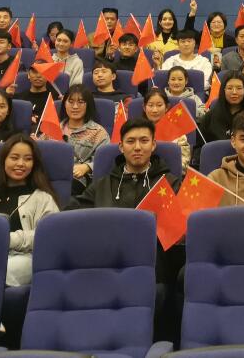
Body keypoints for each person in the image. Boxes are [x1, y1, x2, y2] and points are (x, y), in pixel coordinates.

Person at [65, 117, 182, 282]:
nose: (137, 147)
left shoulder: (169, 184)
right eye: (130, 141)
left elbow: (179, 233)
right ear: (121, 147)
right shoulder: (103, 185)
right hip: (106, 267)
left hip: (153, 272)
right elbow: (71, 214)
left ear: (153, 145)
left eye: (144, 141)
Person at [0, 134, 60, 286]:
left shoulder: (43, 198)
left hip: (24, 258)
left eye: (28, 159)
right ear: (3, 160)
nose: (21, 163)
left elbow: (49, 235)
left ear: (34, 164)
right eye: (14, 158)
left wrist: (8, 239)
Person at [53, 85, 109, 195]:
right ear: (64, 104)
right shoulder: (54, 128)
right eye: (71, 102)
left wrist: (87, 167)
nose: (75, 106)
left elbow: (105, 161)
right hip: (51, 176)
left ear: (88, 105)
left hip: (77, 180)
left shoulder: (98, 132)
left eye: (81, 102)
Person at [196, 70, 244, 146]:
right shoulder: (209, 118)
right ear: (223, 90)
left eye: (239, 88)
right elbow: (199, 148)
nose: (234, 92)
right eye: (229, 88)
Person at [141, 87, 192, 167]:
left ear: (166, 107)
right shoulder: (137, 130)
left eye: (159, 105)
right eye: (150, 105)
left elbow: (183, 163)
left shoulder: (177, 132)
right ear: (144, 108)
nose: (155, 110)